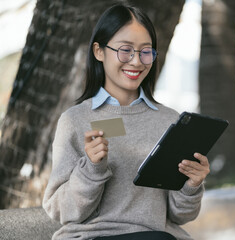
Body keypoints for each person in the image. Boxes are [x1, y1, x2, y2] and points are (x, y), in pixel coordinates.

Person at [42, 3, 210, 240]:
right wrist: (91, 169)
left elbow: (180, 215)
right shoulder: (75, 120)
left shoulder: (169, 120)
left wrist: (191, 184)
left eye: (145, 51)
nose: (136, 61)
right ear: (99, 51)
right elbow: (60, 210)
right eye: (125, 50)